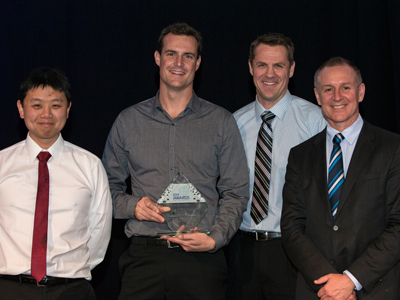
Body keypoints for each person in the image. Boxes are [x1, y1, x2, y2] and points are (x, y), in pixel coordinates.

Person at [102, 22, 249, 300]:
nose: (179, 63)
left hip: (202, 262)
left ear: (198, 63)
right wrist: (133, 206)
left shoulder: (221, 122)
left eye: (188, 56)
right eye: (171, 54)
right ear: (158, 58)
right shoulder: (128, 121)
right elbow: (104, 189)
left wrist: (215, 238)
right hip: (143, 259)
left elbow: (236, 192)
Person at [281, 57, 400, 300]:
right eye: (328, 89)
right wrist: (330, 283)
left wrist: (351, 280)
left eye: (345, 87)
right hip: (317, 290)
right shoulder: (299, 156)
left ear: (360, 92)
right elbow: (292, 227)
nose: (337, 96)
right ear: (317, 95)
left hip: (373, 289)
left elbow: (398, 225)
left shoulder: (393, 148)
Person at [228, 33, 326, 300]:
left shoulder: (317, 123)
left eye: (279, 65)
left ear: (291, 69)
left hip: (295, 251)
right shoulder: (233, 124)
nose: (269, 74)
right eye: (262, 65)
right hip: (242, 250)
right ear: (250, 67)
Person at [0, 67, 112, 300]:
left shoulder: (89, 166)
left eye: (56, 105)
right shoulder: (2, 164)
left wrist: (70, 274)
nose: (46, 114)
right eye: (37, 105)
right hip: (9, 288)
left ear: (68, 109)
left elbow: (100, 233)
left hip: (71, 291)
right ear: (21, 109)